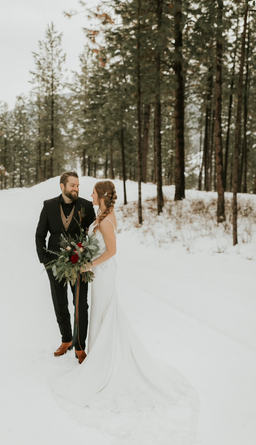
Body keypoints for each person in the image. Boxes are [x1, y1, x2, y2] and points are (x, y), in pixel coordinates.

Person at [49, 180, 199, 444]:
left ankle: (106, 359)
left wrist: (88, 265)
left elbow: (113, 251)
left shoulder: (105, 221)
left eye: (94, 192)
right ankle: (101, 352)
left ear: (103, 196)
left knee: (105, 314)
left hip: (104, 273)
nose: (90, 195)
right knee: (103, 314)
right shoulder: (102, 215)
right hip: (99, 271)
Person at [35, 172, 95, 364]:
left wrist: (87, 258)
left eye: (77, 185)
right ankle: (66, 339)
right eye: (72, 185)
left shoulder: (86, 206)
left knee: (80, 305)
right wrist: (45, 259)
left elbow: (93, 235)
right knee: (59, 302)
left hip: (80, 265)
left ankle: (79, 346)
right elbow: (39, 235)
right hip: (55, 263)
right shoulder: (48, 205)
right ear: (62, 186)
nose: (76, 188)